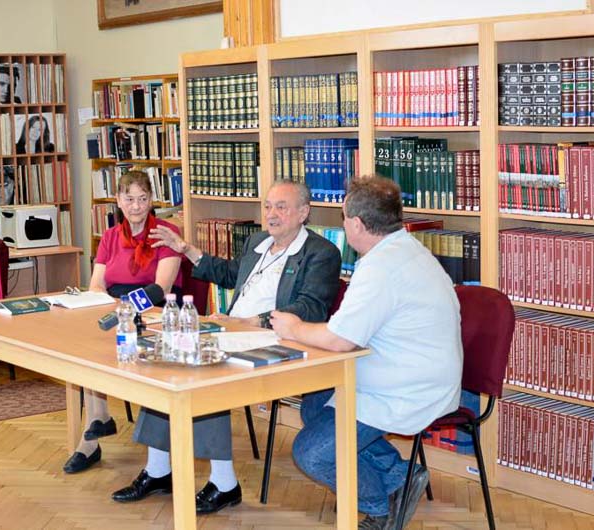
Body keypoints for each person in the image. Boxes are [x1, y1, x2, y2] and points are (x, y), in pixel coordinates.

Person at [110, 180, 342, 514]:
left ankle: (224, 482)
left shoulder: (321, 253)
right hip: (234, 332)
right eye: (267, 206)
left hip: (279, 340)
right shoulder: (258, 242)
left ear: (304, 212)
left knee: (208, 373)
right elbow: (230, 273)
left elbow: (310, 307)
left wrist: (252, 321)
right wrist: (185, 248)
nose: (271, 214)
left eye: (281, 207)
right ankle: (158, 470)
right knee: (166, 364)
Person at [270, 176, 463, 530]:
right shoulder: (405, 249)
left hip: (409, 388)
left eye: (344, 218)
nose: (343, 226)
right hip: (404, 373)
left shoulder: (380, 267)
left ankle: (379, 506)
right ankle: (399, 477)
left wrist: (293, 328)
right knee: (315, 405)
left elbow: (341, 339)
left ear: (357, 224)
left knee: (310, 454)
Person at [62, 170, 182, 474]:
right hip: (116, 308)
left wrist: (125, 310)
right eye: (129, 199)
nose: (136, 206)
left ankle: (93, 434)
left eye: (143, 199)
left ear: (151, 200)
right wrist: (112, 308)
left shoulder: (166, 233)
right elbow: (96, 285)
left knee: (105, 341)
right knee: (85, 347)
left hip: (153, 311)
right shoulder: (111, 236)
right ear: (118, 201)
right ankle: (98, 421)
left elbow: (161, 288)